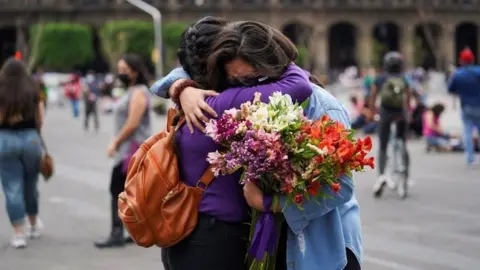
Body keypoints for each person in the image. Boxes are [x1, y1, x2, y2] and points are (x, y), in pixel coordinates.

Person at [152, 17, 362, 270]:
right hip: (274, 243)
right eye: (235, 82)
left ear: (271, 64)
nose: (246, 91)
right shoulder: (238, 97)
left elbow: (341, 187)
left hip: (321, 249)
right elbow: (193, 69)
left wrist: (271, 204)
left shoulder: (321, 104)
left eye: (253, 80)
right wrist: (181, 86)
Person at [94, 54, 152, 248]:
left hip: (132, 149)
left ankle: (117, 233)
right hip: (128, 149)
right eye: (119, 70)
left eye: (124, 70)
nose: (121, 74)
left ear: (135, 71)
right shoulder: (132, 90)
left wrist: (115, 143)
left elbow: (133, 123)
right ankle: (134, 231)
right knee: (129, 191)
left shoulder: (139, 92)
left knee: (117, 189)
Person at [0, 59, 45, 248]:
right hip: (30, 138)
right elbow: (40, 118)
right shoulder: (33, 91)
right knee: (30, 183)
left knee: (12, 186)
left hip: (5, 138)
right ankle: (33, 224)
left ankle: (19, 234)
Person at [369, 52, 412, 198]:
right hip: (400, 114)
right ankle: (405, 173)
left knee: (382, 145)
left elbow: (373, 95)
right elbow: (408, 97)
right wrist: (408, 113)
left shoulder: (381, 78)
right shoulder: (404, 79)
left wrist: (372, 111)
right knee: (402, 143)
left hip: (385, 114)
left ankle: (381, 175)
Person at [448, 47, 480, 167]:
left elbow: (450, 89)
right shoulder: (478, 71)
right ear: (472, 59)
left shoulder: (458, 74)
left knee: (467, 132)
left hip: (466, 106)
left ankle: (470, 159)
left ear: (461, 60)